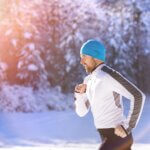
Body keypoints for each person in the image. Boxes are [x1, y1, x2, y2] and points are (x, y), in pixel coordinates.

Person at [74, 39, 145, 150]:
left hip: (119, 136)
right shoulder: (88, 80)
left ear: (95, 56)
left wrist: (127, 126)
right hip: (105, 136)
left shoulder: (108, 75)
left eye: (84, 56)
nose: (81, 61)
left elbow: (138, 96)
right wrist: (80, 95)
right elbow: (81, 112)